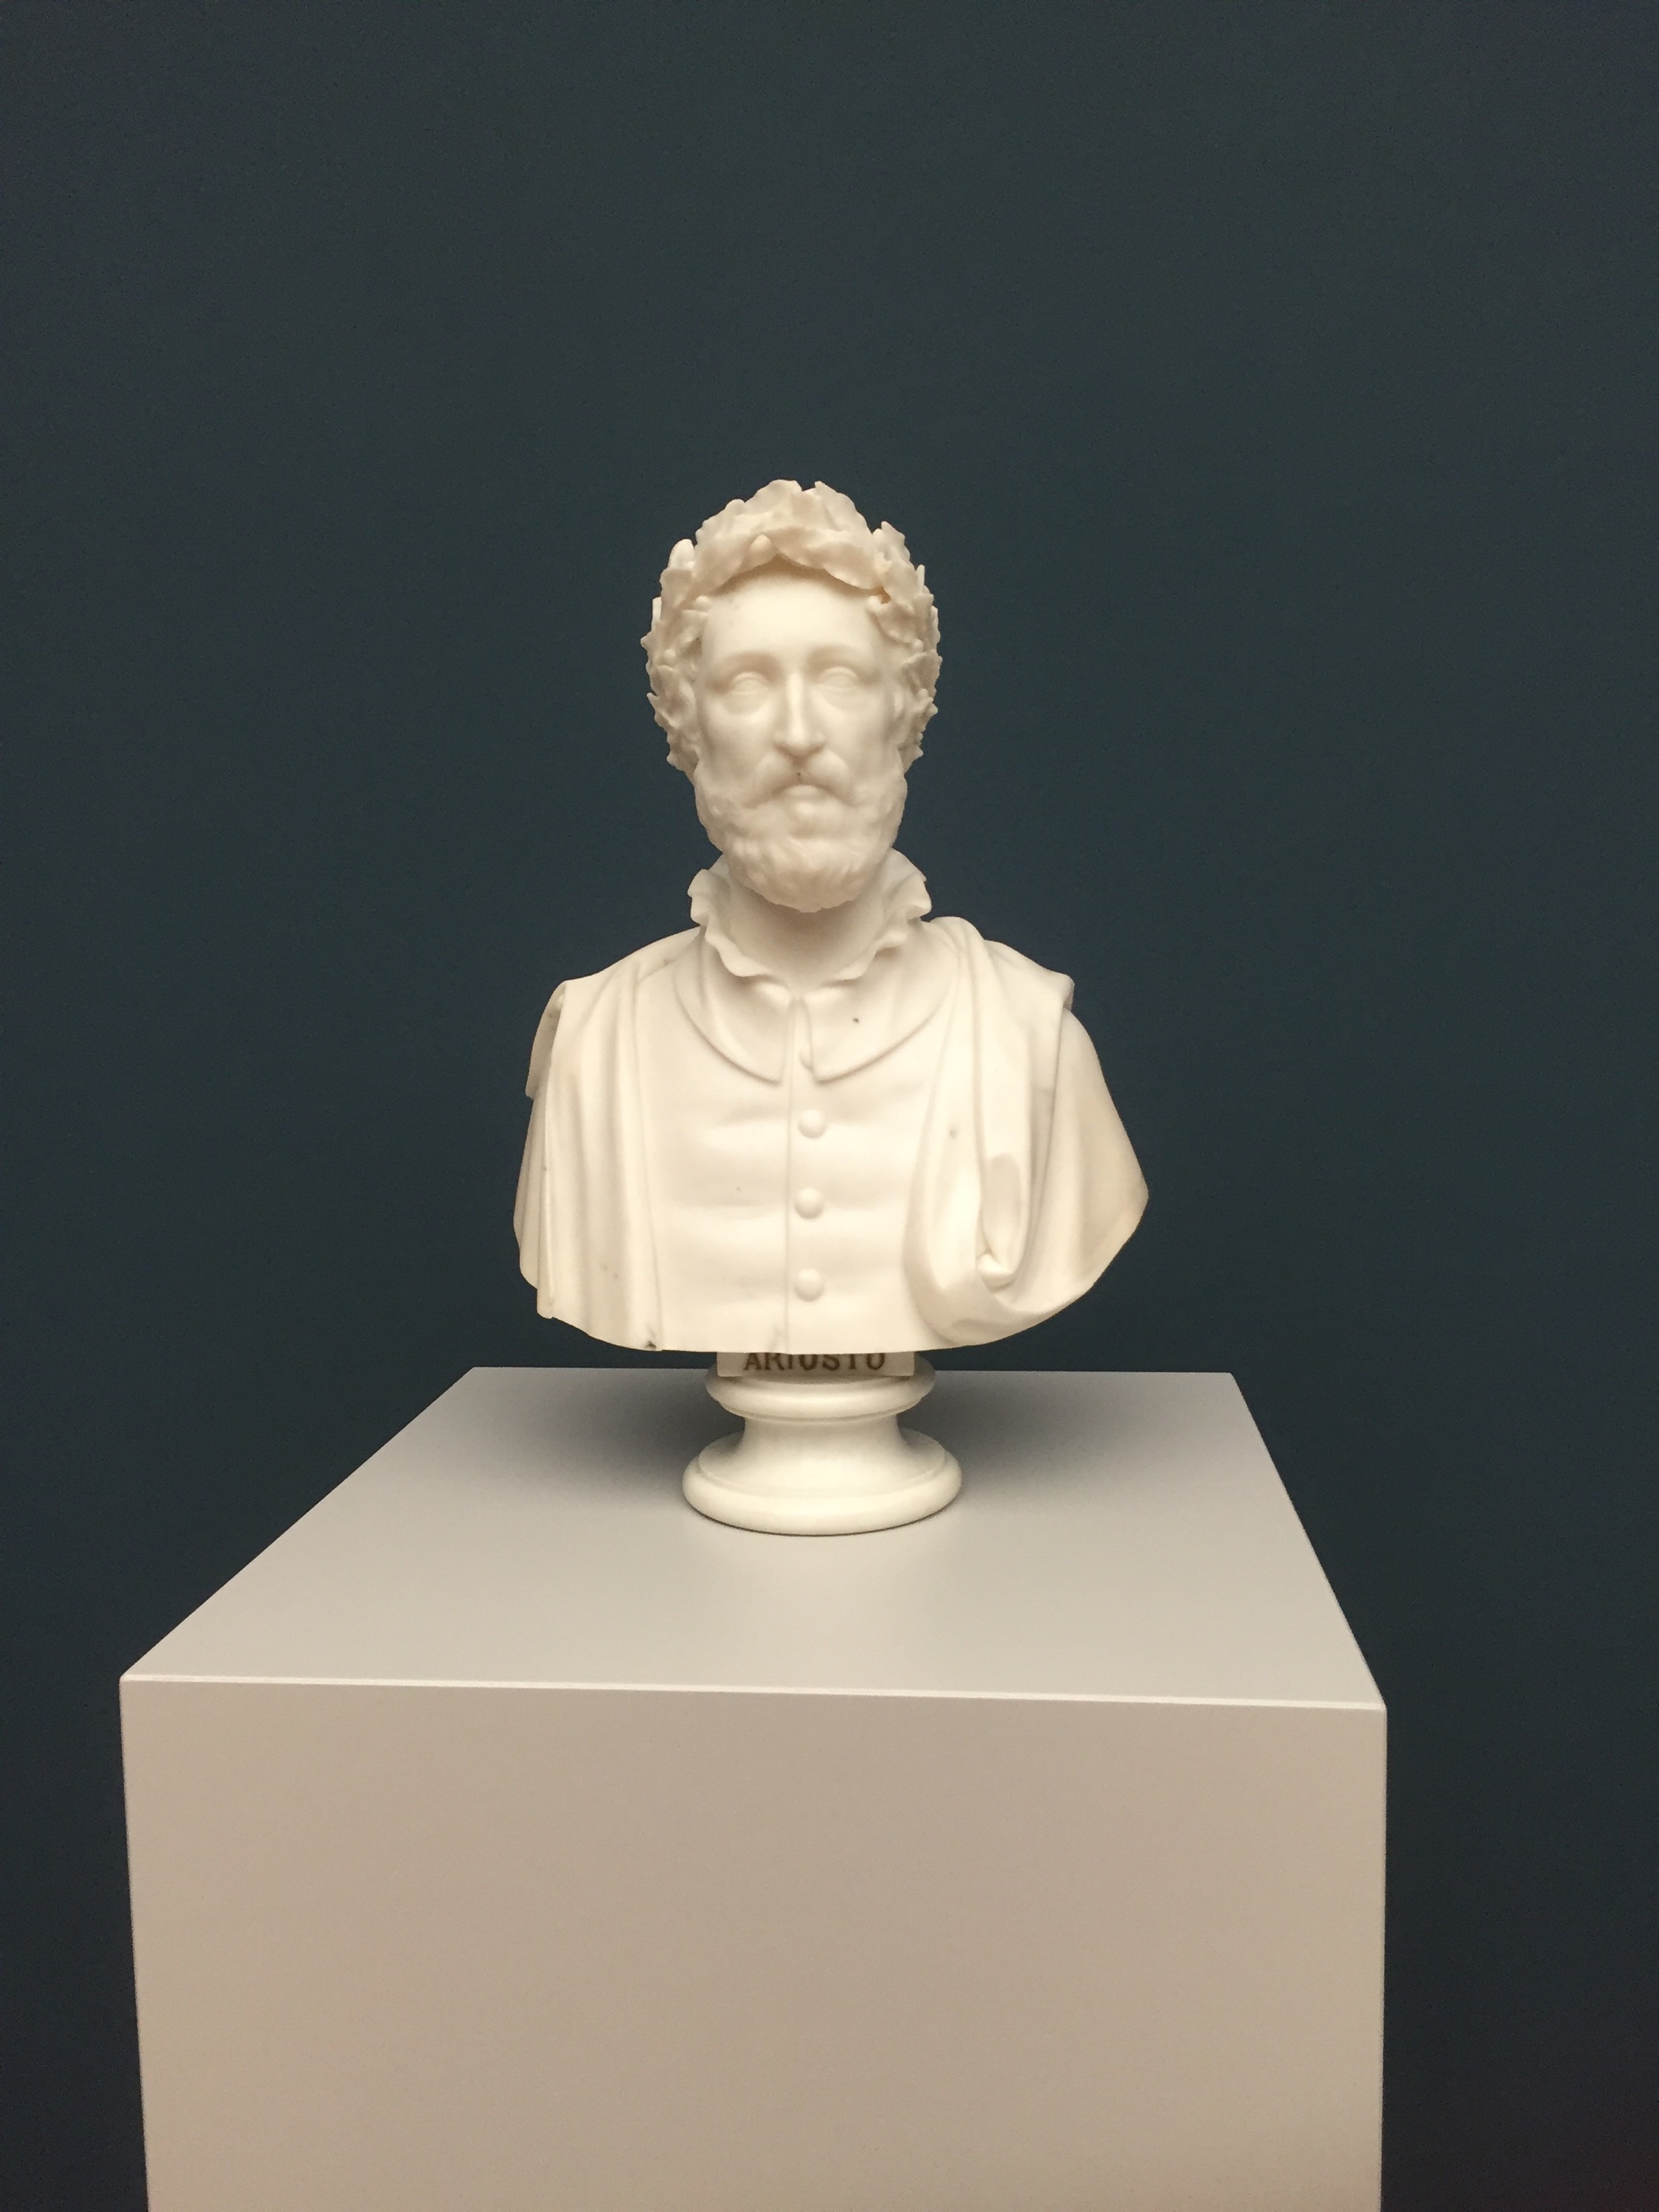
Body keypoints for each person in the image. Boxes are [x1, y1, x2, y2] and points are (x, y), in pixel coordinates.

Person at [515, 480, 1146, 1354]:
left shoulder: (1030, 1043)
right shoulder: (595, 1045)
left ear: (903, 716)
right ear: (689, 729)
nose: (799, 732)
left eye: (840, 678)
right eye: (746, 684)